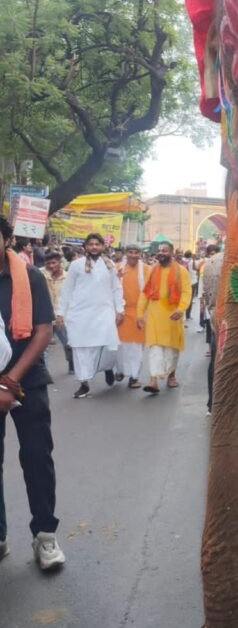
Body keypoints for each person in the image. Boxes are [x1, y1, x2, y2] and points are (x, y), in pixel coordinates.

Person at [0, 215, 65, 569]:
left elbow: (42, 331)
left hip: (28, 380)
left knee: (37, 458)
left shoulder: (30, 277)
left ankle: (45, 537)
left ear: (7, 239)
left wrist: (9, 380)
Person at [57, 233, 124, 399]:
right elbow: (67, 290)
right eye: (91, 244)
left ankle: (107, 367)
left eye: (97, 244)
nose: (94, 247)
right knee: (80, 348)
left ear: (102, 247)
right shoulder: (76, 265)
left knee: (109, 345)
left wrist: (119, 309)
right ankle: (84, 384)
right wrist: (60, 313)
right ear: (86, 247)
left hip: (104, 312)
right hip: (80, 314)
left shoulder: (109, 265)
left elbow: (116, 288)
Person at [137, 241, 191, 394]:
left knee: (171, 350)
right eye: (160, 250)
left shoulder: (181, 271)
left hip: (172, 315)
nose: (161, 253)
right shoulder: (153, 271)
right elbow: (145, 293)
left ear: (172, 253)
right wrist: (140, 314)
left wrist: (181, 310)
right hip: (155, 315)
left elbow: (186, 292)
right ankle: (153, 380)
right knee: (155, 348)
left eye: (165, 250)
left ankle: (171, 375)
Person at [115, 244, 145, 388]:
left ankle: (134, 377)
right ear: (126, 253)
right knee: (120, 346)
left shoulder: (147, 269)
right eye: (130, 252)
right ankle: (120, 370)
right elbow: (111, 289)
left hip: (139, 313)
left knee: (136, 347)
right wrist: (116, 311)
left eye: (136, 252)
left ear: (140, 254)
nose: (133, 255)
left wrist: (144, 315)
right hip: (120, 312)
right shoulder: (117, 268)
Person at [201, 244, 224, 415]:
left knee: (216, 360)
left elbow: (208, 297)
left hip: (219, 318)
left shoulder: (212, 262)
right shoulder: (216, 262)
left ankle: (212, 402)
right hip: (228, 317)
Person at [43, 249, 73, 374]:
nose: (51, 266)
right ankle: (43, 371)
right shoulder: (40, 274)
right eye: (48, 263)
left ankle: (72, 364)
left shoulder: (68, 277)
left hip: (62, 317)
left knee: (68, 343)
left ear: (60, 263)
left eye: (54, 263)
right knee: (42, 346)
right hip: (45, 316)